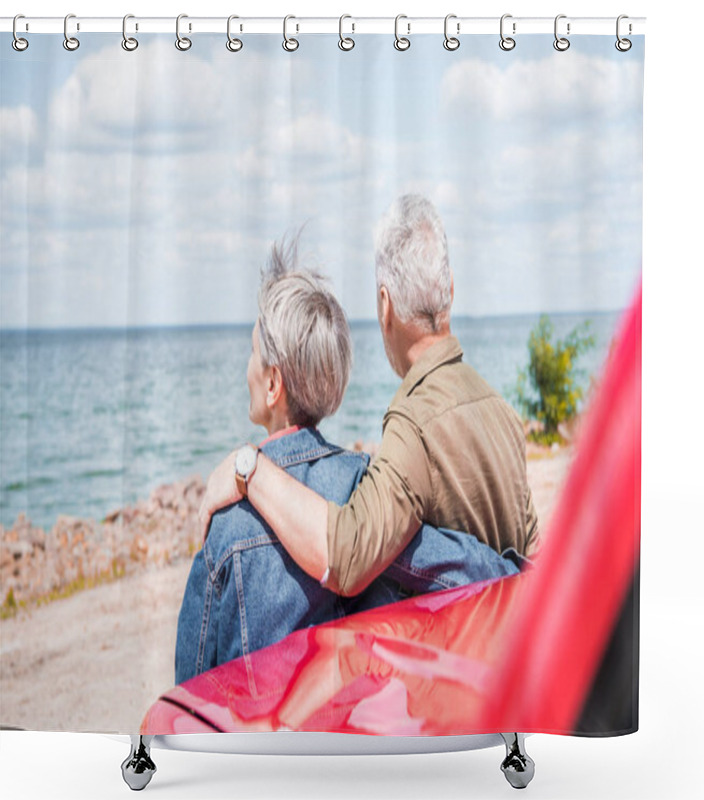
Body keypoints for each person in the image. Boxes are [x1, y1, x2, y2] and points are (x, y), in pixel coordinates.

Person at [175, 232, 518, 685]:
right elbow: (486, 575)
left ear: (273, 384)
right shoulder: (366, 494)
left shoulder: (229, 524)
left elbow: (192, 697)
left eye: (253, 354)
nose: (246, 369)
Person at [198, 195, 539, 603]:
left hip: (460, 656)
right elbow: (532, 550)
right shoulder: (499, 409)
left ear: (384, 304)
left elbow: (347, 556)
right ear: (450, 289)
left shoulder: (414, 421)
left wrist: (247, 468)